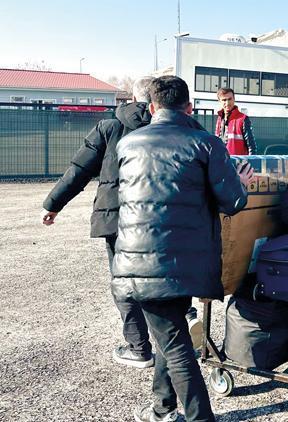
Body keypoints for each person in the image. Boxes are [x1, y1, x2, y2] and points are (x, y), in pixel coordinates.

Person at [113, 76, 252, 422]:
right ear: (190, 108)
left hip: (138, 264)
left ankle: (183, 414)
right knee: (173, 337)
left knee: (171, 339)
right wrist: (242, 183)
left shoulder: (128, 144)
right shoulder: (206, 144)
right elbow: (233, 201)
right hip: (186, 263)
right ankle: (165, 408)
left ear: (152, 107)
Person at [41, 76, 158, 369]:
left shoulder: (109, 127)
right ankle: (178, 334)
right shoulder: (170, 127)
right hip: (161, 218)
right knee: (162, 278)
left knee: (124, 282)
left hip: (116, 218)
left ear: (132, 97)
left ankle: (139, 348)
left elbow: (79, 170)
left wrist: (53, 205)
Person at [215, 87, 257, 155]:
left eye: (230, 99)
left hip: (238, 164)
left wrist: (250, 162)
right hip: (222, 163)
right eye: (224, 100)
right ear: (219, 101)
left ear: (234, 99)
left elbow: (252, 147)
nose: (227, 103)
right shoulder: (219, 119)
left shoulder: (243, 119)